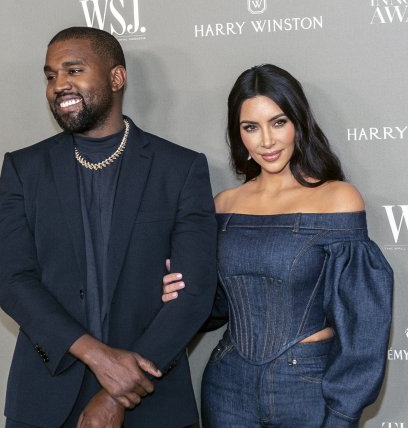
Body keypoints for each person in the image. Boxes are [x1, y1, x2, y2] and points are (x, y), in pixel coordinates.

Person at [0, 26, 217, 428]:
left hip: (153, 402)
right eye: (50, 75)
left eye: (73, 70)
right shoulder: (23, 169)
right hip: (45, 399)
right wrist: (100, 357)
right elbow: (13, 281)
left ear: (116, 78)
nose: (59, 85)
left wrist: (118, 392)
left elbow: (194, 293)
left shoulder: (179, 169)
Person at [162, 64, 393, 427]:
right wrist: (180, 291)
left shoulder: (338, 199)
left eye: (278, 122)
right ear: (238, 135)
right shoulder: (223, 205)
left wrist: (343, 411)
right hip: (227, 387)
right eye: (250, 127)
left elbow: (363, 323)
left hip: (307, 388)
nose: (266, 141)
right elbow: (216, 305)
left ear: (299, 123)